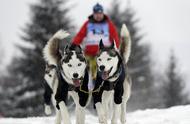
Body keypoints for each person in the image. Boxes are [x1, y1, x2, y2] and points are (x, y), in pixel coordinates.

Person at [72, 3, 120, 87]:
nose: (98, 16)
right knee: (81, 67)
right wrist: (74, 45)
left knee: (98, 71)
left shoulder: (108, 24)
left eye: (100, 14)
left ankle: (98, 88)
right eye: (96, 14)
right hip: (89, 53)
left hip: (103, 53)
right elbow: (80, 35)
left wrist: (116, 48)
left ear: (102, 14)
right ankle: (82, 88)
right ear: (93, 14)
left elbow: (114, 36)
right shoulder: (88, 23)